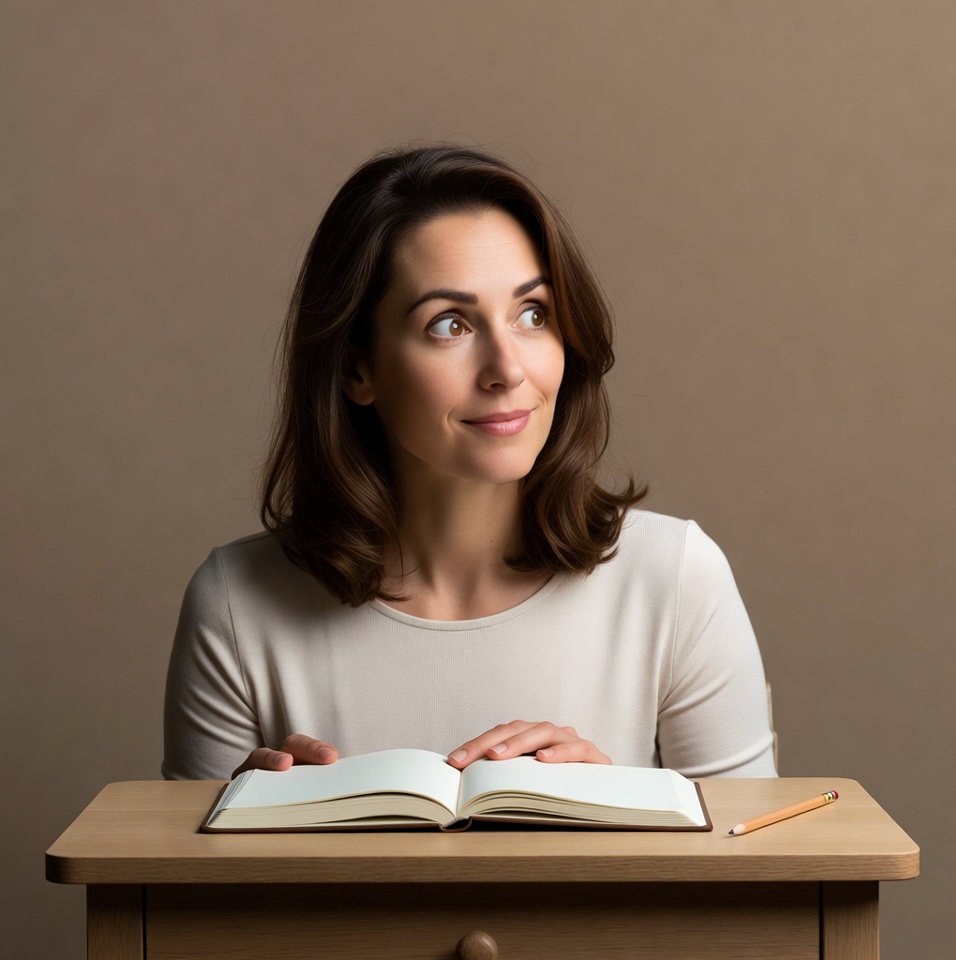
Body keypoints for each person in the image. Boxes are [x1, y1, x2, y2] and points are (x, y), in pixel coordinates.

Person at [162, 144, 777, 782]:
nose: (508, 370)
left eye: (532, 315)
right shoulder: (236, 604)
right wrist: (238, 839)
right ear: (357, 367)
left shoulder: (675, 580)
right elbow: (181, 887)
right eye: (450, 325)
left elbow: (759, 877)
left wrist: (621, 810)